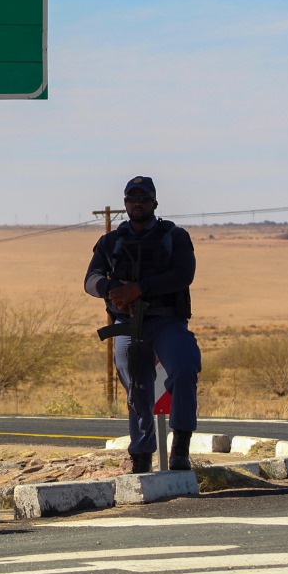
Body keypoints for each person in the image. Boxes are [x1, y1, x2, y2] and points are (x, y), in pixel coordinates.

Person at [85, 175, 200, 473]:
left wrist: (140, 289)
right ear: (125, 204)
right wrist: (113, 289)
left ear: (154, 203)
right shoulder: (111, 241)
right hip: (127, 323)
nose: (137, 204)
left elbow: (183, 274)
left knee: (184, 368)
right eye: (132, 199)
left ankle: (181, 447)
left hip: (166, 321)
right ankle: (141, 456)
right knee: (136, 388)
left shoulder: (174, 236)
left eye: (143, 199)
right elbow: (91, 279)